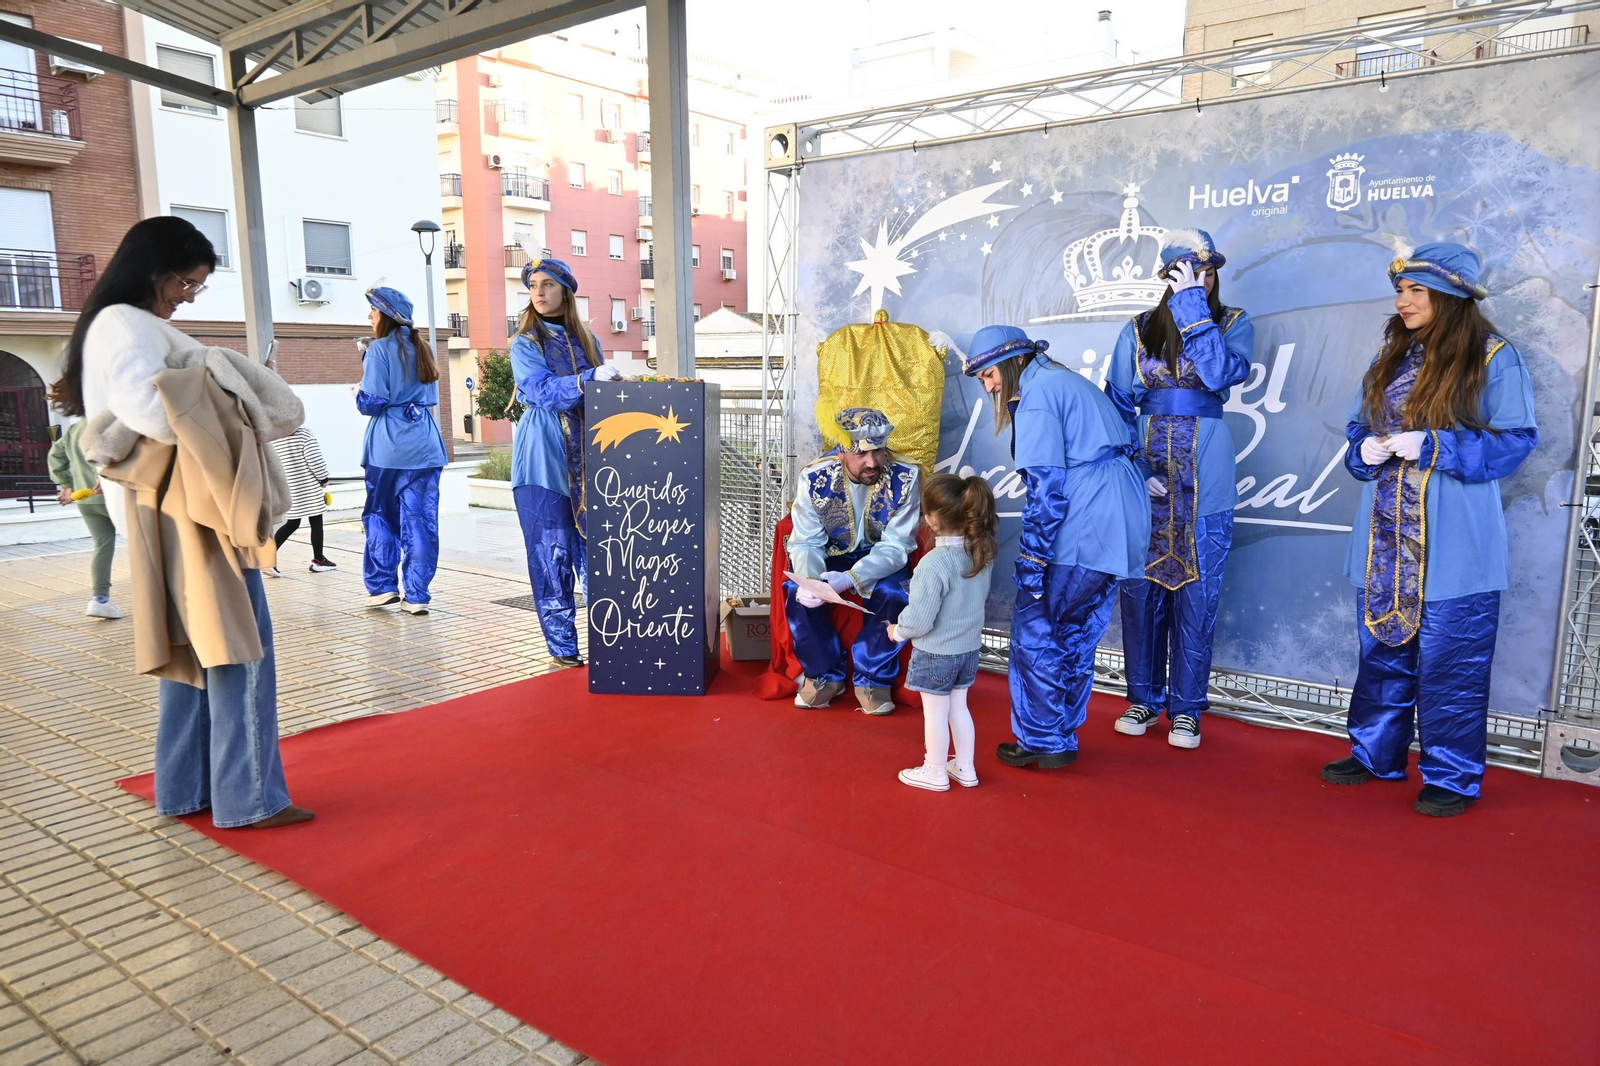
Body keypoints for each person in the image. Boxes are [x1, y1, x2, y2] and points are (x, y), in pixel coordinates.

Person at [48, 215, 311, 828]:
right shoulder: (128, 325)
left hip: (159, 508)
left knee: (196, 654)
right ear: (157, 272)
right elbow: (155, 413)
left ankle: (186, 789)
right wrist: (224, 384)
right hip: (191, 511)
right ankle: (251, 800)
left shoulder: (109, 325)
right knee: (242, 650)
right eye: (186, 284)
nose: (186, 297)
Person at [1322, 242, 1537, 818]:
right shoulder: (1390, 356)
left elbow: (1516, 440)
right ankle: (1376, 753)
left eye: (1417, 290)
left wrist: (1435, 444)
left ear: (1451, 297)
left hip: (1455, 536)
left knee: (1452, 657)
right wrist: (1361, 448)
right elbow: (1354, 426)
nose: (1404, 300)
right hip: (1384, 531)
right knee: (1382, 644)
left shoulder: (1494, 357)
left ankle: (1453, 772)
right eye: (1402, 290)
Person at [965, 326, 1150, 769]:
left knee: (1038, 628)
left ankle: (1044, 740)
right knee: (1075, 631)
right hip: (1118, 516)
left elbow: (1047, 491)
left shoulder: (1040, 394)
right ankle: (1059, 732)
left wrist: (1032, 560)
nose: (989, 386)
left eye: (989, 374)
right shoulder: (1064, 381)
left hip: (1086, 522)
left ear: (1013, 362)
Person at [1104, 230, 1255, 750]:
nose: (1201, 280)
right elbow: (1118, 404)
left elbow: (1216, 376)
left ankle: (1188, 708)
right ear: (1165, 278)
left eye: (1208, 273)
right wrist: (1129, 464)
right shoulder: (1138, 329)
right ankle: (1143, 697)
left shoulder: (1233, 322)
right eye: (1187, 274)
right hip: (1147, 471)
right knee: (1140, 590)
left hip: (1206, 472)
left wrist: (1195, 307)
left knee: (1199, 591)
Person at [509, 258, 622, 667]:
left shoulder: (589, 340)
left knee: (596, 552)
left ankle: (611, 644)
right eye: (533, 286)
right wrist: (587, 380)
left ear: (565, 291)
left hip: (591, 459)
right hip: (544, 456)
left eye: (547, 285)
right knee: (549, 551)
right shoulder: (525, 342)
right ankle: (562, 649)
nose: (538, 293)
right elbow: (541, 390)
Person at [784, 407, 920, 716]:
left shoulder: (906, 476)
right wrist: (812, 579)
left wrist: (851, 579)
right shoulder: (815, 477)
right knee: (797, 591)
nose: (872, 462)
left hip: (883, 556)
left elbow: (898, 545)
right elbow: (806, 541)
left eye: (878, 451)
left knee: (895, 591)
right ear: (843, 451)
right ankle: (823, 675)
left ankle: (873, 677)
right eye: (862, 454)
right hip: (831, 554)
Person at [887, 474, 997, 791]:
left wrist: (898, 630)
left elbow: (920, 619)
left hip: (936, 653)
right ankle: (965, 767)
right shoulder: (981, 555)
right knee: (959, 708)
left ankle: (934, 771)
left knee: (935, 714)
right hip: (968, 650)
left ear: (933, 520)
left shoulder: (933, 563)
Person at [356, 286, 448, 616]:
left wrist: (358, 390)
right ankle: (418, 594)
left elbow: (372, 403)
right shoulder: (422, 348)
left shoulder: (378, 350)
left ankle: (382, 587)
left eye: (373, 310)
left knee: (380, 517)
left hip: (388, 450)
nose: (369, 315)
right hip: (425, 445)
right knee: (421, 522)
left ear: (386, 315)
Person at [48, 419, 122, 619]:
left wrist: (66, 484)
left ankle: (100, 600)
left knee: (102, 545)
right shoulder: (110, 419)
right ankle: (157, 597)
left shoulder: (75, 427)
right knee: (145, 545)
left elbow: (55, 455)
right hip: (115, 496)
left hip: (87, 498)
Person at [267, 426, 336, 576]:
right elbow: (315, 460)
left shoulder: (274, 437)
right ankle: (319, 560)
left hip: (288, 488)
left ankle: (267, 560)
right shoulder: (303, 434)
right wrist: (324, 479)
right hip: (308, 487)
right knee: (316, 521)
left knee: (292, 523)